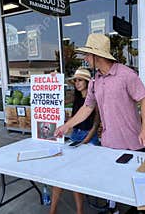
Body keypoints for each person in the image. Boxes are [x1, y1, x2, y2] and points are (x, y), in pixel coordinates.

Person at [54, 33, 145, 213]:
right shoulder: (95, 81)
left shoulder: (126, 75)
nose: (85, 58)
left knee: (136, 186)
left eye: (87, 54)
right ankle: (113, 209)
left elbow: (144, 100)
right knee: (113, 181)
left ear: (97, 55)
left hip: (132, 142)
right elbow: (87, 107)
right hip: (109, 143)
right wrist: (67, 125)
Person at [50, 67, 100, 214]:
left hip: (89, 138)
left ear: (87, 81)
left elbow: (96, 124)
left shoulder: (94, 98)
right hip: (74, 136)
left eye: (80, 80)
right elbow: (58, 97)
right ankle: (52, 211)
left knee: (74, 175)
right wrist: (54, 80)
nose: (77, 83)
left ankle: (79, 212)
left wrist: (85, 141)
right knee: (60, 173)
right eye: (75, 80)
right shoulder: (76, 96)